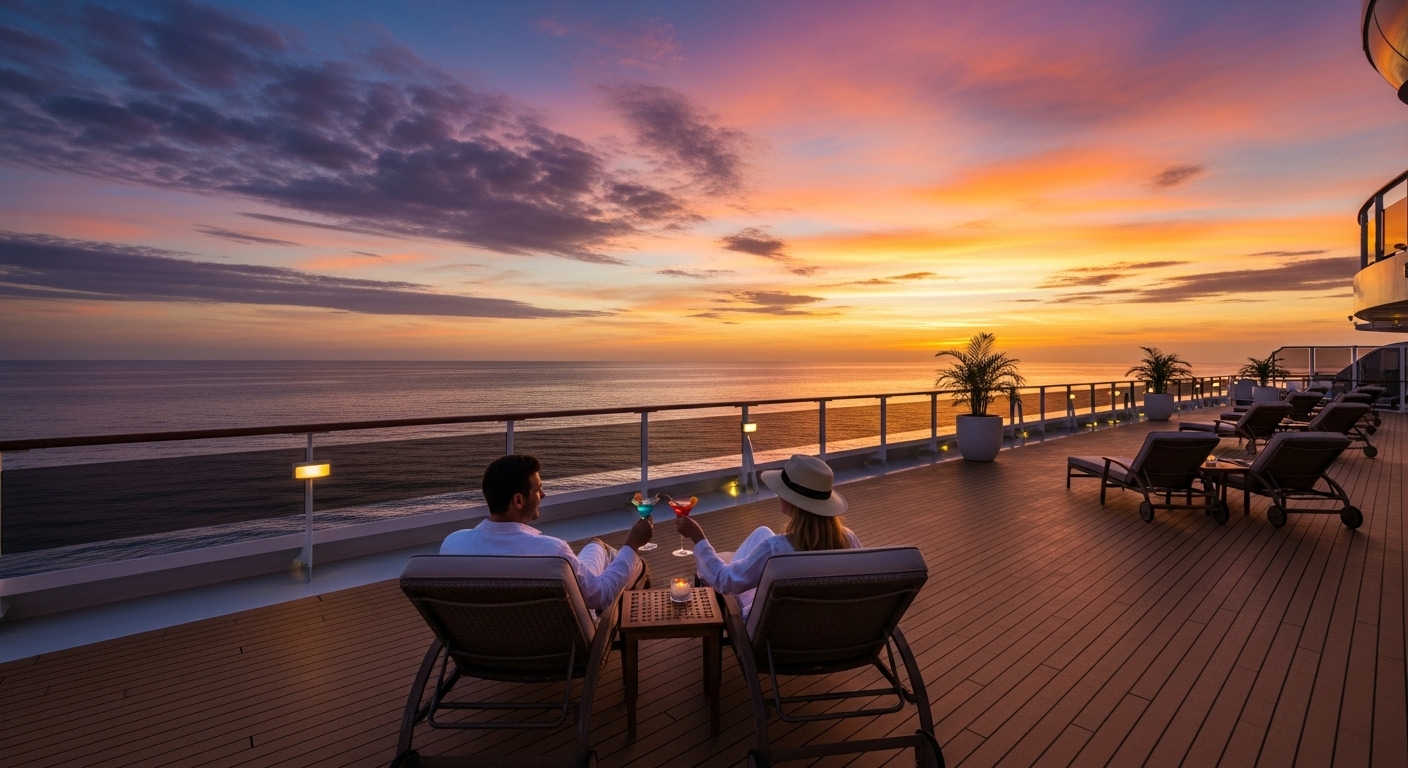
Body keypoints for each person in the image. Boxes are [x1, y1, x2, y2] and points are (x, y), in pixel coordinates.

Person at [440, 454, 653, 611]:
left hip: (485, 644)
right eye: (538, 489)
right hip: (558, 647)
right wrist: (632, 543)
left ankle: (608, 554)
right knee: (636, 566)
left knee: (596, 545)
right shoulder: (551, 551)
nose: (543, 494)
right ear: (518, 501)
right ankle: (636, 567)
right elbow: (602, 596)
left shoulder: (453, 544)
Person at [675, 453, 860, 615]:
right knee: (762, 533)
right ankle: (726, 565)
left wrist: (697, 536)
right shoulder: (848, 540)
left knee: (720, 573)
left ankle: (706, 573)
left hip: (777, 636)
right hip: (828, 625)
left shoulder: (777, 549)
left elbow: (726, 582)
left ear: (792, 500)